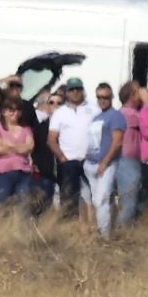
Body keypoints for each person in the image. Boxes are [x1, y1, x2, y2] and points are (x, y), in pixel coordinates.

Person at [46, 77, 97, 220]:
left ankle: (93, 229)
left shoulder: (94, 109)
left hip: (90, 161)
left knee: (94, 197)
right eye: (72, 89)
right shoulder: (60, 113)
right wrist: (62, 158)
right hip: (68, 162)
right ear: (67, 93)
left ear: (82, 91)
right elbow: (51, 140)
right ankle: (70, 229)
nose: (75, 92)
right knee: (69, 199)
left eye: (78, 89)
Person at [83, 82, 128, 238]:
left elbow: (117, 142)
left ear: (111, 97)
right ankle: (101, 231)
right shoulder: (97, 117)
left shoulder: (115, 116)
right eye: (99, 97)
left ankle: (105, 235)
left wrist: (105, 162)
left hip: (106, 164)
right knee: (96, 201)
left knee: (102, 200)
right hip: (90, 164)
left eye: (106, 97)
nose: (102, 100)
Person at [0, 98, 36, 209]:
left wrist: (8, 145)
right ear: (4, 112)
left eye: (18, 109)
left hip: (23, 174)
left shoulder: (26, 129)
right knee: (2, 209)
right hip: (1, 175)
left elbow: (30, 147)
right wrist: (20, 147)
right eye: (11, 110)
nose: (15, 113)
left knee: (24, 209)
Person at [114, 83, 145, 227]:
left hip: (134, 161)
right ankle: (122, 233)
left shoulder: (132, 113)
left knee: (136, 201)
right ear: (132, 96)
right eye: (139, 91)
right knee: (129, 201)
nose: (144, 93)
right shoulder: (127, 113)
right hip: (127, 161)